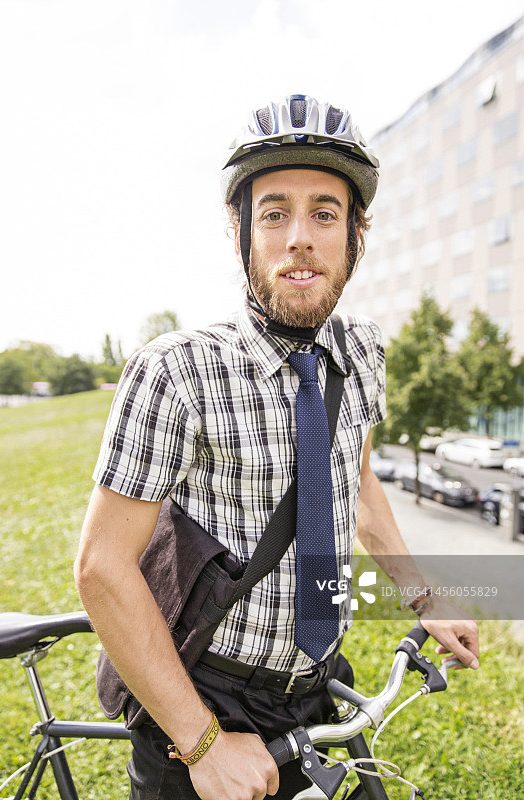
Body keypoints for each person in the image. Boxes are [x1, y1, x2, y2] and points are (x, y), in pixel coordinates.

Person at [74, 94, 479, 800]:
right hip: (203, 693)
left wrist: (424, 596)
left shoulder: (365, 350)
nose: (300, 237)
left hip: (320, 688)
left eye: (325, 213)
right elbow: (102, 567)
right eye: (274, 213)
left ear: (355, 234)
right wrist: (200, 743)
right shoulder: (174, 371)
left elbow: (352, 478)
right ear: (239, 231)